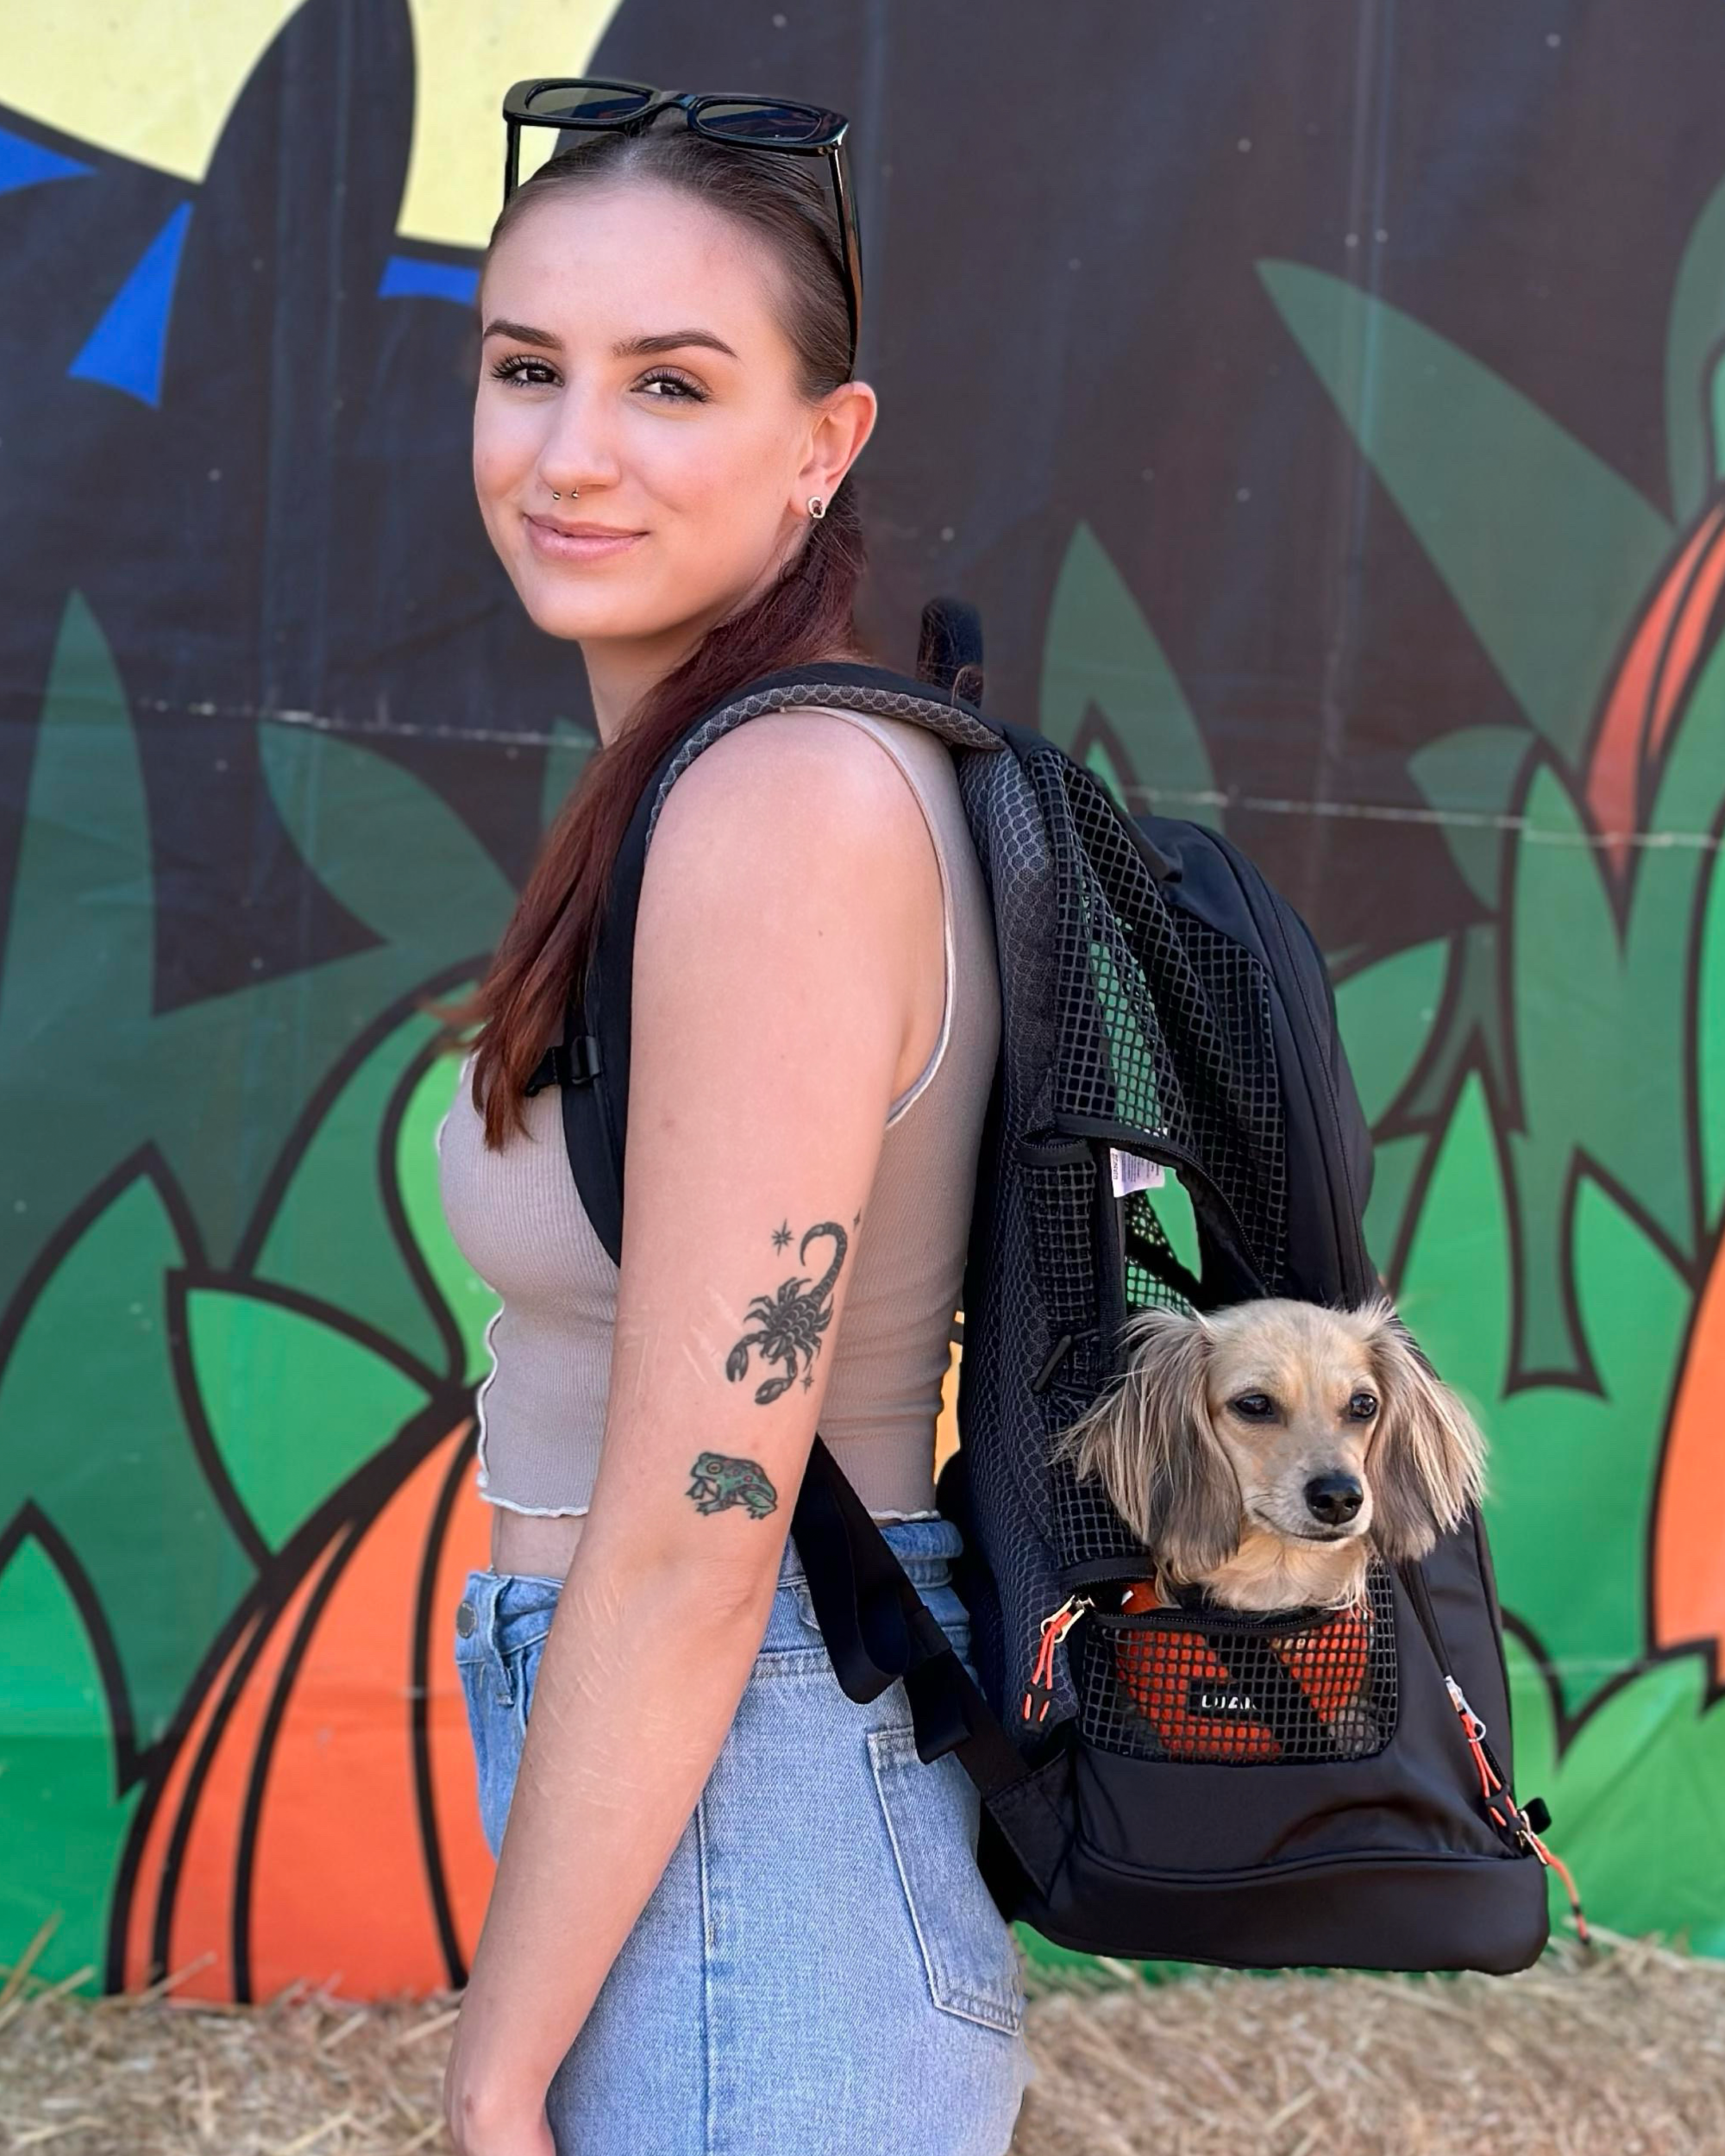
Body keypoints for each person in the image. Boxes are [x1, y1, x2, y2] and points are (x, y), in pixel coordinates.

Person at [427, 97, 1034, 2156]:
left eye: (670, 384)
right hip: (712, 1798)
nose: (569, 451)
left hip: (750, 1807)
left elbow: (700, 1520)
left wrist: (496, 2071)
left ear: (822, 441)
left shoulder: (776, 814)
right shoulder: (710, 784)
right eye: (527, 368)